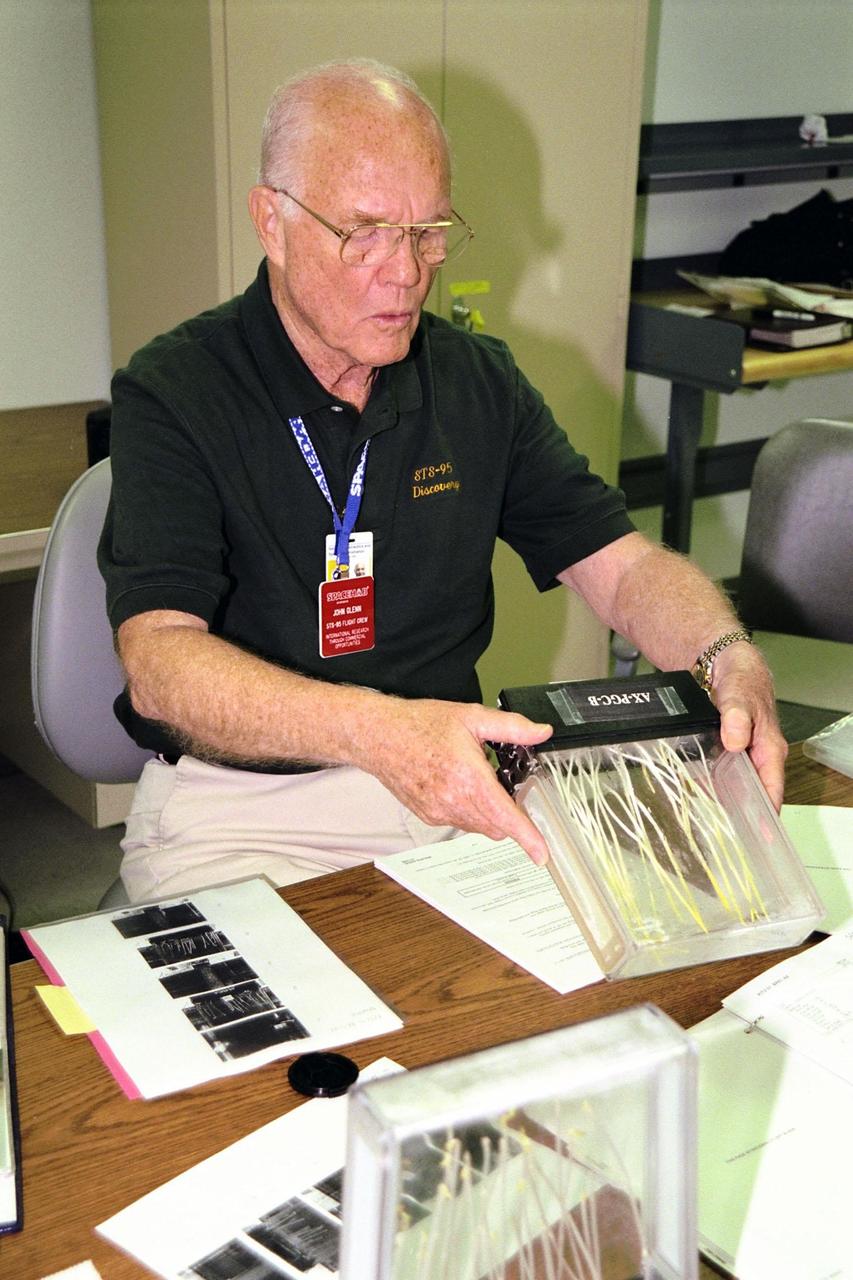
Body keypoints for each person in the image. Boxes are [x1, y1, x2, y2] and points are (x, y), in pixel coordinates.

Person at [98, 58, 786, 905]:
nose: (407, 272)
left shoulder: (475, 381)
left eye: (427, 232)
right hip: (243, 806)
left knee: (655, 939)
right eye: (366, 233)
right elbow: (160, 661)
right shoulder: (176, 390)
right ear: (271, 222)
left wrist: (725, 655)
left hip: (456, 775)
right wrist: (381, 734)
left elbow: (622, 568)